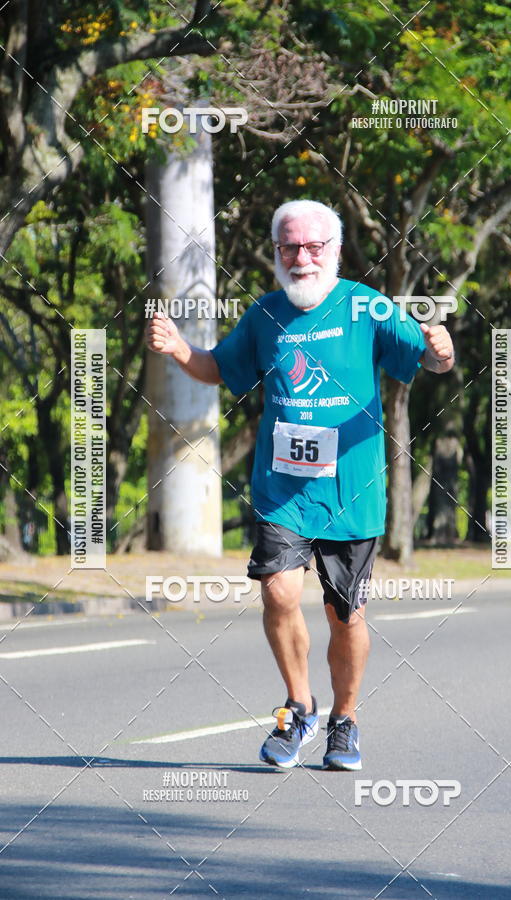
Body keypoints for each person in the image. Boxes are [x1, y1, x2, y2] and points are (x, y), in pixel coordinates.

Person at [146, 199, 454, 771]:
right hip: (282, 489)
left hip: (352, 492)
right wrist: (180, 350)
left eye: (314, 246)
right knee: (278, 592)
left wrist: (442, 353)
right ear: (276, 253)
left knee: (346, 617)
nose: (302, 257)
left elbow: (426, 359)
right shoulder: (265, 316)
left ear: (335, 251)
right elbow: (220, 368)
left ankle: (345, 720)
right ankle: (298, 706)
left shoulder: (367, 307)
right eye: (290, 247)